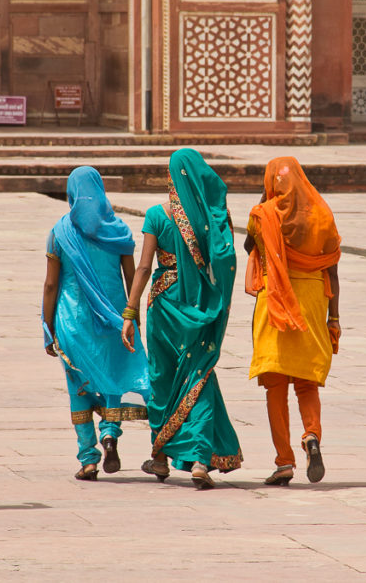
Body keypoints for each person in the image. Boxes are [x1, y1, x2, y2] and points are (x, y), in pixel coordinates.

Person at [120, 148, 243, 489]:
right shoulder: (214, 217)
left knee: (162, 378)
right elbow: (225, 259)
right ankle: (201, 461)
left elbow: (144, 267)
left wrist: (129, 312)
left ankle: (160, 457)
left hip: (164, 307)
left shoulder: (156, 216)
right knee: (199, 377)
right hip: (201, 306)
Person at [41, 166, 150, 481]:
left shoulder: (60, 232)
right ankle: (110, 434)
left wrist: (46, 327)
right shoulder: (118, 230)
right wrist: (133, 320)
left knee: (79, 384)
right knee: (113, 375)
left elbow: (50, 285)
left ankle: (88, 458)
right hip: (116, 318)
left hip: (72, 322)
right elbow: (132, 281)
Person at [243, 157, 341, 486]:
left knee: (275, 386)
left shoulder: (263, 216)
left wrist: (265, 198)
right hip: (312, 300)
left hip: (275, 302)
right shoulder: (322, 215)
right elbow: (332, 268)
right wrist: (334, 317)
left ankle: (284, 461)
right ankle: (311, 436)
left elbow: (249, 247)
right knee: (306, 381)